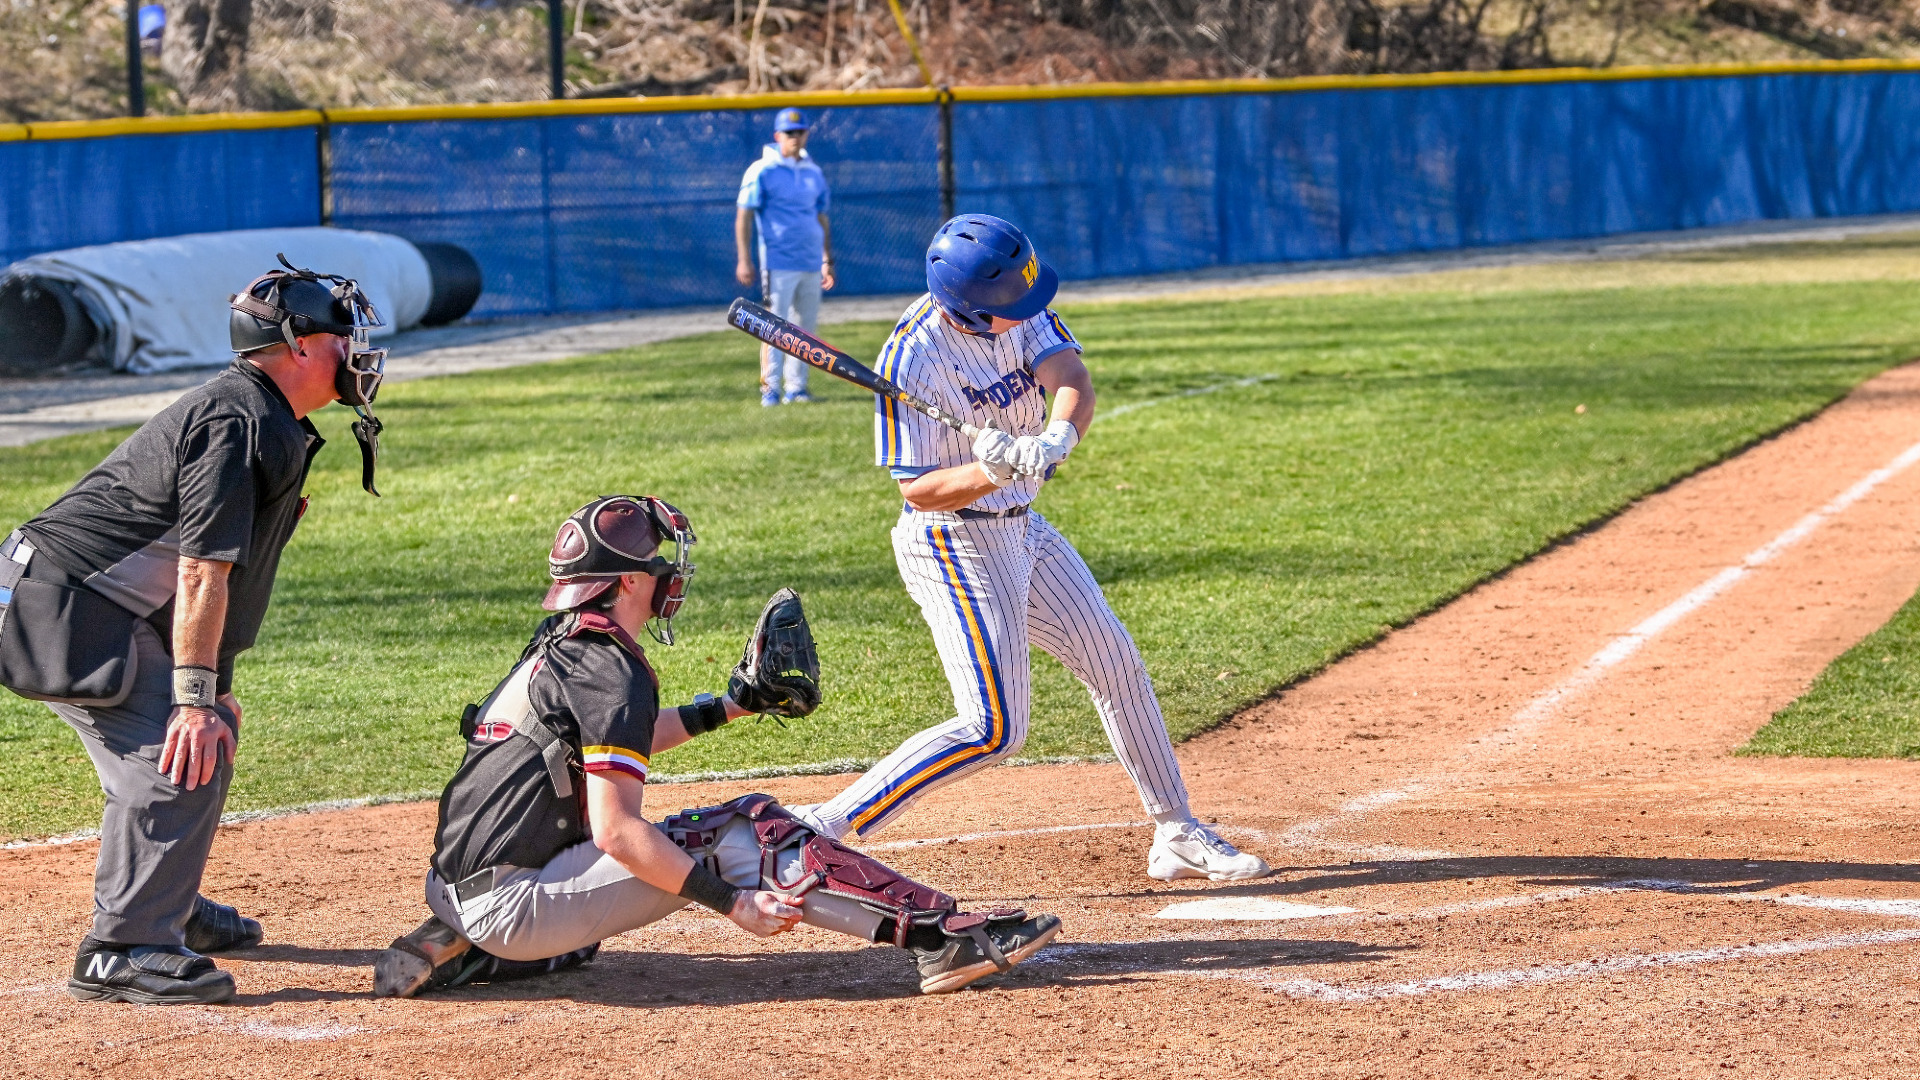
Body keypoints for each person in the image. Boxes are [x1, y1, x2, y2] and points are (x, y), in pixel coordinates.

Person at [372, 495, 1060, 999]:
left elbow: (619, 744)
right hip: (515, 901)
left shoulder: (564, 647)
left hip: (462, 887)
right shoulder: (611, 669)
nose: (672, 575)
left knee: (696, 837)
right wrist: (730, 903)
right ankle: (942, 939)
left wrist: (730, 707)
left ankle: (473, 950)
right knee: (743, 834)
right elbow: (616, 831)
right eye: (660, 563)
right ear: (631, 581)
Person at [790, 215, 1272, 882]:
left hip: (1023, 528)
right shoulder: (913, 358)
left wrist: (1054, 441)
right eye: (1011, 309)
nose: (1028, 312)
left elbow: (1069, 374)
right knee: (993, 727)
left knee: (1114, 660)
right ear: (968, 308)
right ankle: (815, 830)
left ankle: (1176, 831)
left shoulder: (1014, 302)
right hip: (954, 544)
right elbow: (921, 489)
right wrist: (989, 471)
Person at [0, 258, 391, 1005]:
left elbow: (231, 581)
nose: (355, 350)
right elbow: (200, 573)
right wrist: (191, 698)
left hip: (90, 601)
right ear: (300, 346)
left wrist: (217, 689)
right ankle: (123, 948)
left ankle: (162, 901)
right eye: (343, 335)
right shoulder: (237, 418)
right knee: (172, 753)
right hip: (54, 604)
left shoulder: (269, 417)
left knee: (205, 729)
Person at [735, 106, 836, 406]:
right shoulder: (762, 170)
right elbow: (744, 215)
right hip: (778, 262)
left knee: (805, 328)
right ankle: (771, 389)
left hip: (809, 261)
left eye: (799, 132)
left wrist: (826, 259)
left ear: (806, 134)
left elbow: (821, 218)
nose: (794, 137)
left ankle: (797, 388)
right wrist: (744, 259)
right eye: (788, 133)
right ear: (777, 135)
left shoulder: (813, 171)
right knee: (774, 327)